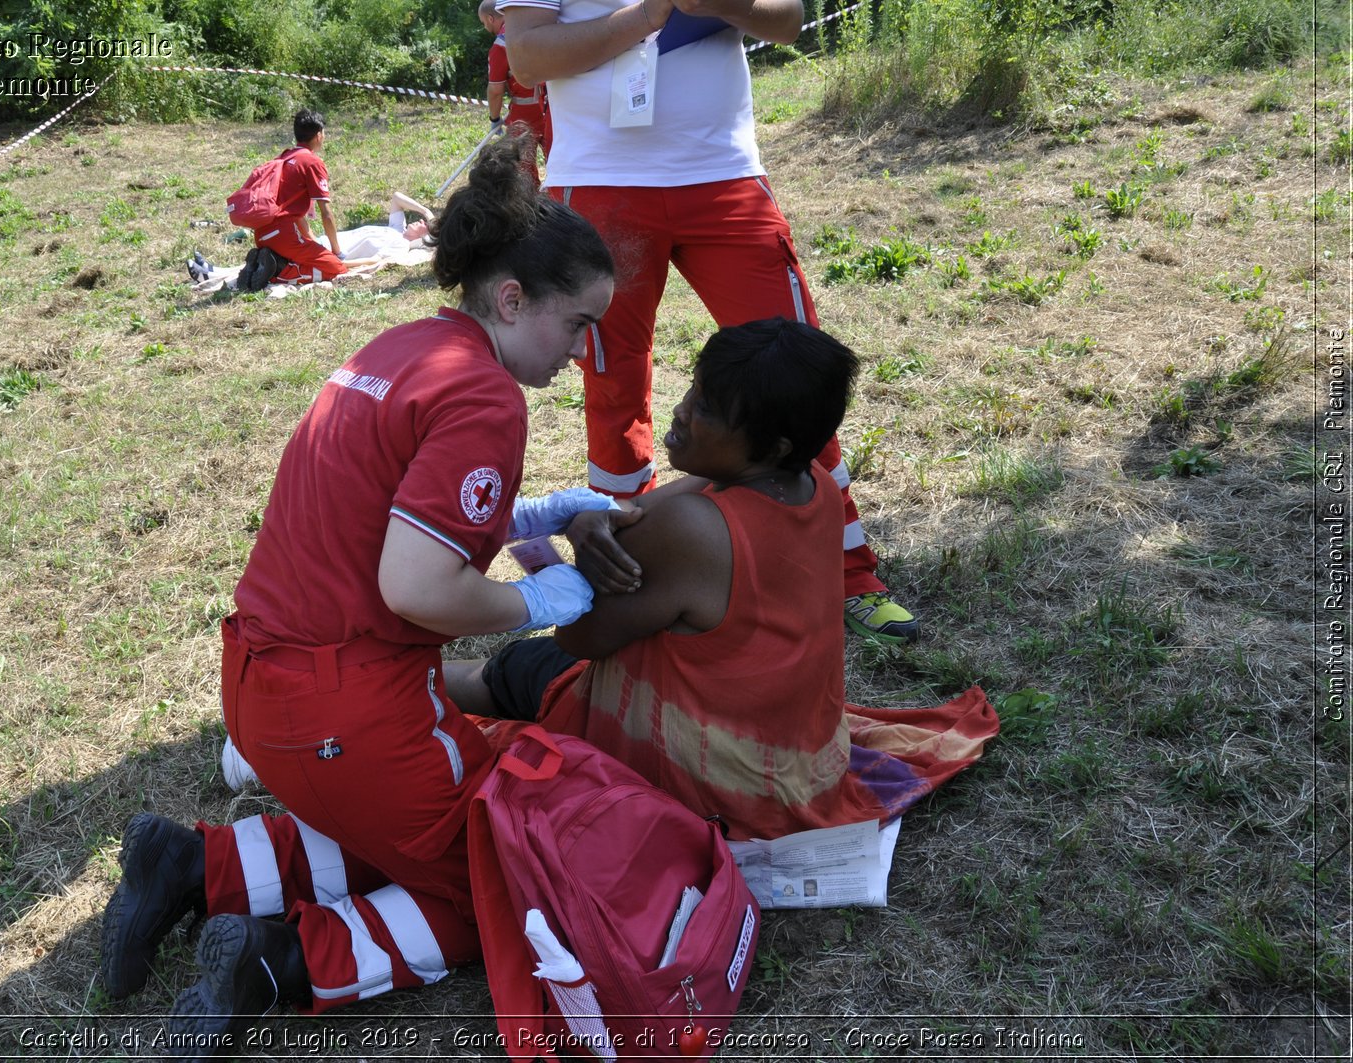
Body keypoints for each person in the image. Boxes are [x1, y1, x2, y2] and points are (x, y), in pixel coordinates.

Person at [98, 136, 626, 1056]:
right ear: (512, 298)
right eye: (579, 324)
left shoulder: (408, 345)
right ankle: (280, 959)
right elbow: (418, 583)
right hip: (353, 708)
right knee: (499, 884)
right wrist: (539, 603)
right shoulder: (488, 400)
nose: (586, 353)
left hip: (266, 687)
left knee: (408, 831)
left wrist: (529, 512)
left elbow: (385, 510)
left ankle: (194, 863)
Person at [446, 319, 996, 841]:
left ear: (772, 446)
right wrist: (596, 519)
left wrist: (584, 553)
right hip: (794, 763)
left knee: (519, 668)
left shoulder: (693, 529)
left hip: (714, 781)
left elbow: (578, 637)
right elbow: (634, 512)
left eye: (706, 407)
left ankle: (397, 682)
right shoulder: (815, 484)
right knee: (530, 668)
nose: (682, 412)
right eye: (694, 390)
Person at [499, 0, 921, 642]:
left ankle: (848, 572)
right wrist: (651, 14)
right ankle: (635, 563)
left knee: (798, 371)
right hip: (600, 184)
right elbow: (527, 55)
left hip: (725, 173)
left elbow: (787, 19)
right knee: (614, 392)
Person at [239, 109, 346, 291]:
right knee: (337, 269)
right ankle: (277, 273)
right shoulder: (312, 162)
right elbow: (326, 214)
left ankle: (267, 261)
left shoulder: (284, 157)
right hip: (285, 234)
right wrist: (337, 252)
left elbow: (295, 214)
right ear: (319, 135)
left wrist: (314, 244)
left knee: (311, 255)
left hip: (262, 234)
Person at [480, 0, 551, 182]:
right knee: (559, 159)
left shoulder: (500, 46)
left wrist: (494, 119)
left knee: (522, 165)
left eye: (484, 23)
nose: (485, 27)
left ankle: (528, 202)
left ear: (490, 18)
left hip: (525, 113)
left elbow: (495, 90)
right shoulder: (537, 28)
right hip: (553, 105)